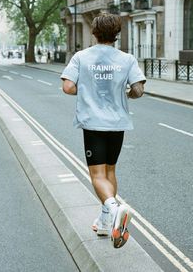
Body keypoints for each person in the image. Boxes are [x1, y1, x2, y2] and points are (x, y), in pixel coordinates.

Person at [61, 13, 146, 249]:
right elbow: (138, 90)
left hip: (93, 123)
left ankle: (115, 208)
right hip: (117, 123)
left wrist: (88, 89)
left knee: (97, 176)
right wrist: (124, 92)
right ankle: (107, 222)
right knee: (110, 171)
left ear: (94, 32)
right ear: (116, 35)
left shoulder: (81, 57)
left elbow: (68, 87)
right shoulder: (127, 59)